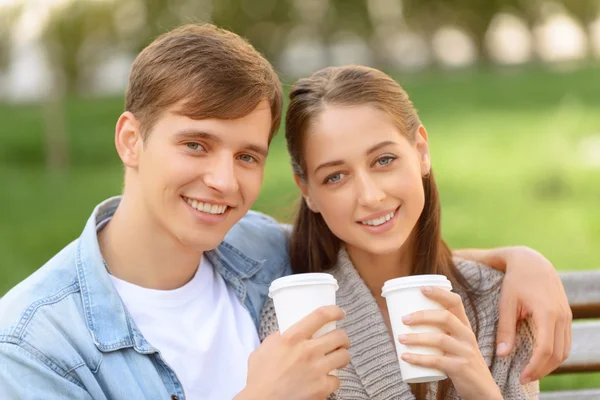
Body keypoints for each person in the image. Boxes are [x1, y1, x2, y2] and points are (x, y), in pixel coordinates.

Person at [0, 24, 568, 399]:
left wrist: (518, 261)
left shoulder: (254, 250)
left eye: (246, 155)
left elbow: (372, 248)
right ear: (130, 139)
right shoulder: (34, 344)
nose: (222, 182)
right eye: (195, 144)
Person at [259, 65, 557, 399]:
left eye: (384, 160)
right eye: (336, 177)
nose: (371, 196)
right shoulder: (294, 323)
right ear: (307, 190)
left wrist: (477, 384)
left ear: (421, 152)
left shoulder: (500, 305)